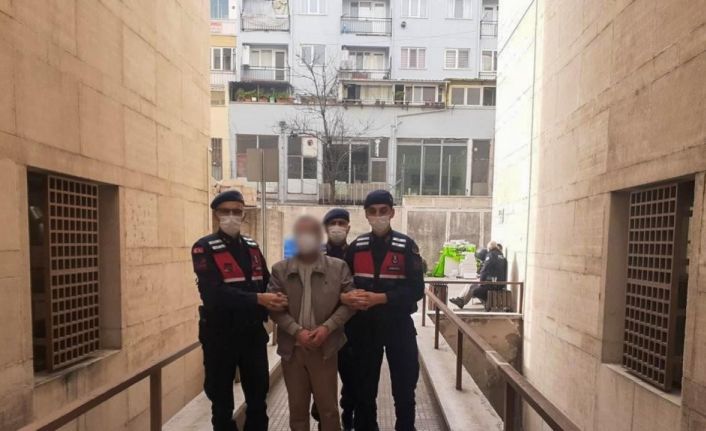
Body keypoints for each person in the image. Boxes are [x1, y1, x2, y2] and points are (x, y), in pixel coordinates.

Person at [191, 190, 288, 431]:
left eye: (237, 211)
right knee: (221, 403)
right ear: (216, 214)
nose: (232, 216)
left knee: (258, 398)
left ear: (243, 214)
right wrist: (258, 299)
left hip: (252, 334)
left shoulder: (252, 247)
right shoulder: (204, 248)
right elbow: (213, 294)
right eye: (226, 211)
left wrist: (277, 298)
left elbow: (266, 282)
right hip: (219, 335)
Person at [341, 190, 424, 431]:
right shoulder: (356, 248)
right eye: (373, 211)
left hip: (399, 326)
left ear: (392, 213)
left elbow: (416, 289)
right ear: (366, 215)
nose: (378, 216)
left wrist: (382, 298)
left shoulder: (406, 246)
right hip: (363, 328)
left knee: (405, 387)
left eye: (383, 211)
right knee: (364, 389)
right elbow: (343, 284)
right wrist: (347, 296)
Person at [268, 215, 356, 431]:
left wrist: (327, 328)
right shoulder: (280, 270)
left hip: (324, 349)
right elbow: (274, 307)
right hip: (293, 351)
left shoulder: (338, 268)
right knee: (297, 412)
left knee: (329, 411)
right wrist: (296, 331)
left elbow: (350, 303)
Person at [311, 208, 356, 430]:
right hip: (323, 327)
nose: (337, 227)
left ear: (348, 227)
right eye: (333, 223)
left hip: (351, 328)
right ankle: (323, 420)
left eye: (342, 223)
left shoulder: (355, 253)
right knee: (321, 384)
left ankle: (347, 418)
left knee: (351, 380)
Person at [450, 241, 507, 310]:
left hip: (492, 284)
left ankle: (462, 301)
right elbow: (495, 271)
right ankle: (461, 299)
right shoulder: (502, 256)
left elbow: (485, 270)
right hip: (498, 283)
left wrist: (481, 281)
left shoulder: (491, 255)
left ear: (489, 248)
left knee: (472, 286)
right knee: (470, 284)